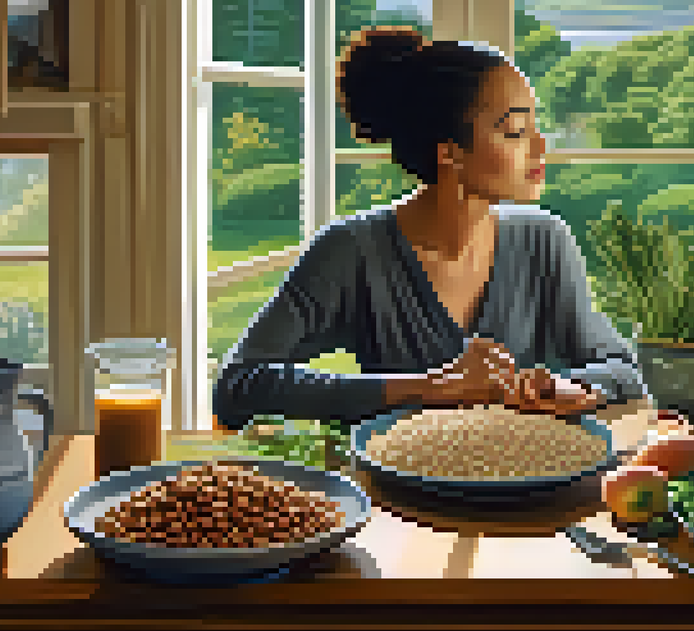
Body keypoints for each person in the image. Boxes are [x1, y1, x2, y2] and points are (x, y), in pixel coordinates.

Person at [212, 26, 648, 432]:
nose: (540, 146)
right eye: (514, 131)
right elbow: (237, 387)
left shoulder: (544, 240)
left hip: (532, 493)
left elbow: (624, 374)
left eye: (535, 125)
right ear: (450, 153)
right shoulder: (351, 251)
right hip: (397, 502)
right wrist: (426, 387)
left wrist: (560, 388)